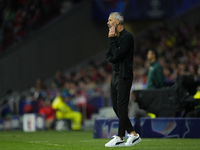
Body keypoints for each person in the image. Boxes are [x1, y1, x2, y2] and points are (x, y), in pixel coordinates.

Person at [105, 12, 141, 147]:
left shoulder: (127, 37)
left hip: (124, 75)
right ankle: (133, 134)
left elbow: (118, 55)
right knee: (116, 107)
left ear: (118, 22)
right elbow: (109, 56)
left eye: (110, 20)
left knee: (122, 107)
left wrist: (112, 40)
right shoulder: (115, 37)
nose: (108, 23)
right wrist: (113, 46)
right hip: (114, 76)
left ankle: (120, 137)